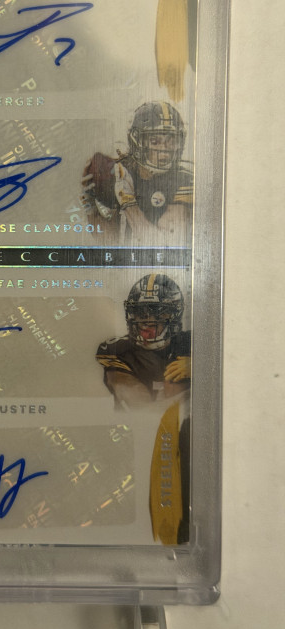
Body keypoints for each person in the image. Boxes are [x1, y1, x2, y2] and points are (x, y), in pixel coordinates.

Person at [81, 102, 193, 243]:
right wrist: (90, 207)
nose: (164, 149)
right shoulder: (125, 174)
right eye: (155, 141)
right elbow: (111, 240)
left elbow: (162, 243)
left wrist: (128, 203)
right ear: (138, 142)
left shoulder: (184, 180)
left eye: (171, 141)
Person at [96, 274, 191, 409]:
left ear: (174, 315)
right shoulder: (118, 350)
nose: (147, 321)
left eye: (158, 312)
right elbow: (140, 407)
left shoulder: (190, 343)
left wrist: (199, 367)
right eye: (140, 312)